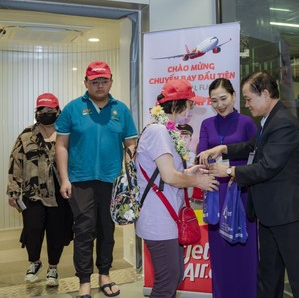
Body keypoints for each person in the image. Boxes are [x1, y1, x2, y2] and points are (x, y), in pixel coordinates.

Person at [198, 71, 299, 298]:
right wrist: (223, 149)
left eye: (249, 98)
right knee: (269, 276)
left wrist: (229, 170)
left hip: (289, 213)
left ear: (264, 94)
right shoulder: (267, 120)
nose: (247, 104)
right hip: (271, 213)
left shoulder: (283, 123)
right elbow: (250, 146)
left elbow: (267, 166)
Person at [55, 61, 138, 298]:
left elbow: (130, 144)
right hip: (80, 180)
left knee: (107, 229)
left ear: (111, 81)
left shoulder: (120, 110)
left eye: (104, 80)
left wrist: (130, 178)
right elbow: (61, 146)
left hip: (111, 181)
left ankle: (104, 274)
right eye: (95, 81)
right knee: (83, 230)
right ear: (86, 82)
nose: (100, 85)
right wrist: (64, 179)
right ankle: (83, 281)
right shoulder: (72, 109)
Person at [135, 79, 219, 298]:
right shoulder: (158, 132)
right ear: (175, 106)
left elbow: (166, 172)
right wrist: (197, 182)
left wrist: (189, 172)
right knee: (167, 281)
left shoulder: (165, 130)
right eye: (190, 104)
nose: (191, 110)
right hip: (158, 220)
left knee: (174, 276)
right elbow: (170, 176)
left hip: (167, 219)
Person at [197, 78, 258, 298]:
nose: (220, 104)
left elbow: (256, 156)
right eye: (214, 101)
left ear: (233, 96)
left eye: (223, 98)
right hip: (216, 192)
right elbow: (201, 152)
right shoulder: (206, 124)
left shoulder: (247, 123)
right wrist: (205, 158)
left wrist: (228, 162)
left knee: (244, 249)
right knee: (220, 252)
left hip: (241, 192)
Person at [6, 93, 73, 287]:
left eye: (51, 110)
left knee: (56, 233)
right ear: (36, 112)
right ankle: (35, 263)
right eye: (42, 110)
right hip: (32, 194)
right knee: (33, 230)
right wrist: (13, 190)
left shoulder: (66, 134)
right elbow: (15, 163)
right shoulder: (26, 135)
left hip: (59, 194)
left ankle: (53, 267)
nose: (46, 113)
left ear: (58, 111)